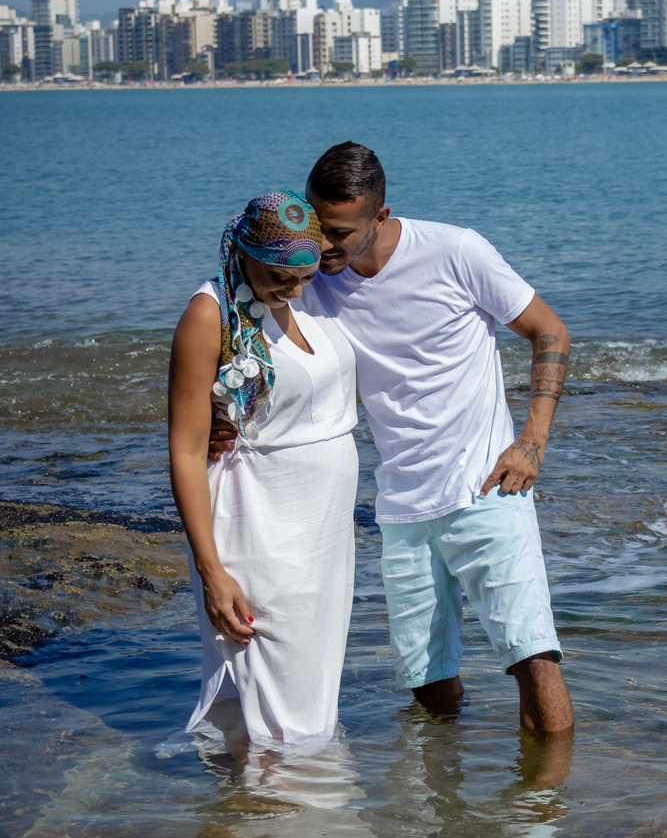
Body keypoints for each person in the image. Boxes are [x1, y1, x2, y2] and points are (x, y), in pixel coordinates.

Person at [211, 143, 573, 737]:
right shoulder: (313, 277)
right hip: (401, 506)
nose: (324, 245)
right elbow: (253, 337)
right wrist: (221, 417)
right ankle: (441, 812)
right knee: (428, 681)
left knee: (530, 656)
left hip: (487, 487)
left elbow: (549, 331)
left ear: (380, 216)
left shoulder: (457, 251)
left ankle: (543, 820)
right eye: (318, 226)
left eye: (341, 232)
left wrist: (532, 440)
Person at [170, 189, 359, 752]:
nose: (296, 289)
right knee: (275, 686)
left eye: (305, 275)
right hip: (258, 525)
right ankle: (283, 820)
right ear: (243, 251)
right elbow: (184, 448)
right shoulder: (210, 314)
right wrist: (212, 573)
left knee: (305, 685)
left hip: (322, 536)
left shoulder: (305, 294)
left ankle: (260, 822)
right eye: (281, 277)